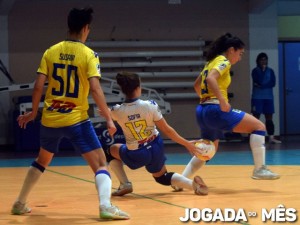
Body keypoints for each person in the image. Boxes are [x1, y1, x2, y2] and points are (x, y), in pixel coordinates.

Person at [11, 7, 129, 220]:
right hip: (76, 120)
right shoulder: (89, 55)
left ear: (69, 26)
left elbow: (38, 86)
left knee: (42, 160)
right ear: (86, 28)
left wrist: (32, 112)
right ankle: (105, 206)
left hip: (50, 119)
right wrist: (109, 119)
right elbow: (95, 89)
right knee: (101, 163)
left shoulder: (51, 51)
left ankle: (19, 203)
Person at [173, 33, 280, 192]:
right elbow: (210, 79)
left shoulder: (211, 62)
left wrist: (207, 99)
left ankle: (180, 181)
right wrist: (222, 101)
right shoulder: (223, 61)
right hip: (215, 109)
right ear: (231, 50)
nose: (240, 57)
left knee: (208, 150)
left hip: (202, 110)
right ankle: (260, 169)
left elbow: (197, 85)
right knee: (258, 126)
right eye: (240, 53)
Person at [103, 72, 208, 197]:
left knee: (109, 151)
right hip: (155, 146)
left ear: (123, 90)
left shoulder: (117, 110)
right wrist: (187, 144)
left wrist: (104, 111)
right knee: (162, 177)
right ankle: (193, 185)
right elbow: (167, 130)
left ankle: (125, 184)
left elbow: (108, 112)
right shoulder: (150, 105)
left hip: (137, 153)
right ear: (138, 88)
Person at [251, 52, 281, 144]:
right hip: (257, 98)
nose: (264, 61)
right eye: (262, 59)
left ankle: (271, 137)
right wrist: (263, 74)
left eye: (265, 59)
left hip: (268, 97)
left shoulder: (271, 71)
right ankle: (255, 138)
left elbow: (273, 83)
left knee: (269, 118)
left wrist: (262, 85)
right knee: (256, 118)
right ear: (258, 61)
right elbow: (258, 81)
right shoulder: (255, 71)